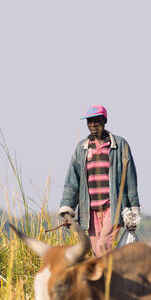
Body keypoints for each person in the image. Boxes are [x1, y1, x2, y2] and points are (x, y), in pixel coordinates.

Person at [59, 105, 141, 256]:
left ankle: (107, 277)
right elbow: (72, 181)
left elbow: (130, 178)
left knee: (104, 245)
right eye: (90, 121)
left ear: (105, 120)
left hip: (113, 206)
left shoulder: (119, 145)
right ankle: (108, 277)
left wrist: (134, 208)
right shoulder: (82, 148)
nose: (93, 125)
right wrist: (67, 208)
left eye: (97, 120)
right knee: (97, 250)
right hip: (90, 210)